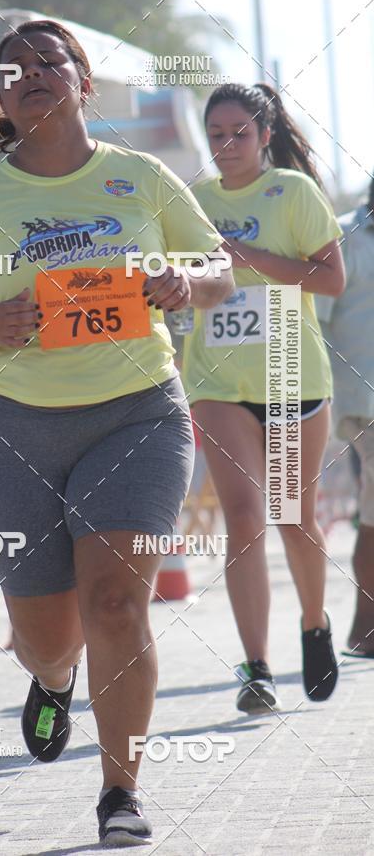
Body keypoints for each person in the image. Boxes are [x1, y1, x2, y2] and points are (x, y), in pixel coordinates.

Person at [0, 20, 232, 846]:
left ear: (82, 82)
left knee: (117, 603)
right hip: (12, 426)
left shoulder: (141, 176)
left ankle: (120, 795)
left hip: (136, 413)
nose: (29, 75)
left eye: (47, 62)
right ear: (2, 99)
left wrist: (183, 280)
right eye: (11, 69)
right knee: (46, 636)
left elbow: (220, 268)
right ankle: (53, 681)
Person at [182, 82, 346, 714]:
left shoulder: (293, 192)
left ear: (265, 135)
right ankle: (255, 667)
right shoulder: (193, 202)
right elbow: (195, 285)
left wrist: (245, 255)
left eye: (239, 134)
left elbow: (332, 280)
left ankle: (313, 622)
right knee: (244, 518)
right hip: (219, 382)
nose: (227, 145)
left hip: (290, 376)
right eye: (216, 135)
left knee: (291, 516)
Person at [316, 174, 374, 658]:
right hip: (365, 405)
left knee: (372, 516)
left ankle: (364, 629)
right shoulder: (346, 236)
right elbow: (315, 322)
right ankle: (364, 629)